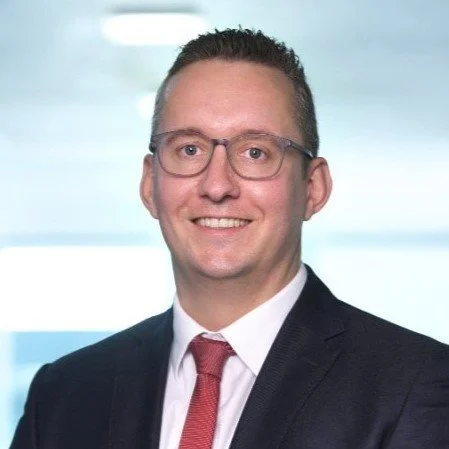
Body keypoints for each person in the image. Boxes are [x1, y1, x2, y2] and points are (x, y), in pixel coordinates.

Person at [10, 28, 449, 449]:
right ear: (149, 185)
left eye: (256, 152)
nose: (217, 185)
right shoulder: (63, 395)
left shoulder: (415, 384)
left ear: (313, 188)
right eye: (189, 149)